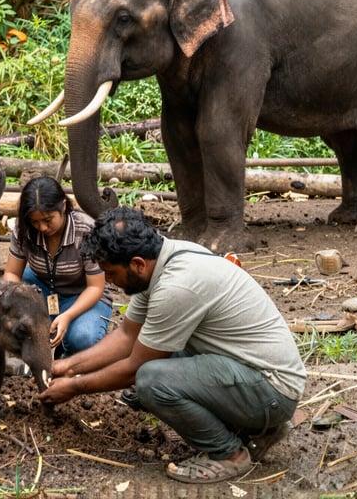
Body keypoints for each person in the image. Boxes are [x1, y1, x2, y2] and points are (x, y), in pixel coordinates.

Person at [38, 207, 306, 485]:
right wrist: (66, 366)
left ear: (137, 264)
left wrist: (75, 386)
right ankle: (257, 429)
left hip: (271, 390)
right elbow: (128, 335)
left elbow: (134, 367)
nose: (109, 281)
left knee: (151, 380)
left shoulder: (177, 286)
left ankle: (228, 454)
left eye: (111, 272)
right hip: (251, 374)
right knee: (158, 357)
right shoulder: (164, 259)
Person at [3, 176, 112, 357]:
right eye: (35, 221)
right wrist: (20, 302)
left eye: (48, 219)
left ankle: (66, 351)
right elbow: (11, 274)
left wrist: (67, 316)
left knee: (82, 338)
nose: (42, 228)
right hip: (43, 288)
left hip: (83, 293)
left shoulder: (86, 230)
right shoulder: (24, 229)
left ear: (62, 206)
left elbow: (96, 286)